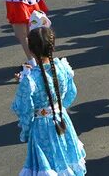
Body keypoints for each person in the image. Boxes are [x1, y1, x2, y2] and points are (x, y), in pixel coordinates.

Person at [12, 11, 86, 176]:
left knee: (47, 168)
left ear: (30, 49)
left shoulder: (29, 80)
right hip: (62, 120)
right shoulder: (62, 68)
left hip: (41, 128)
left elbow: (23, 108)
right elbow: (71, 92)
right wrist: (58, 108)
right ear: (52, 45)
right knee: (66, 162)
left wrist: (26, 130)